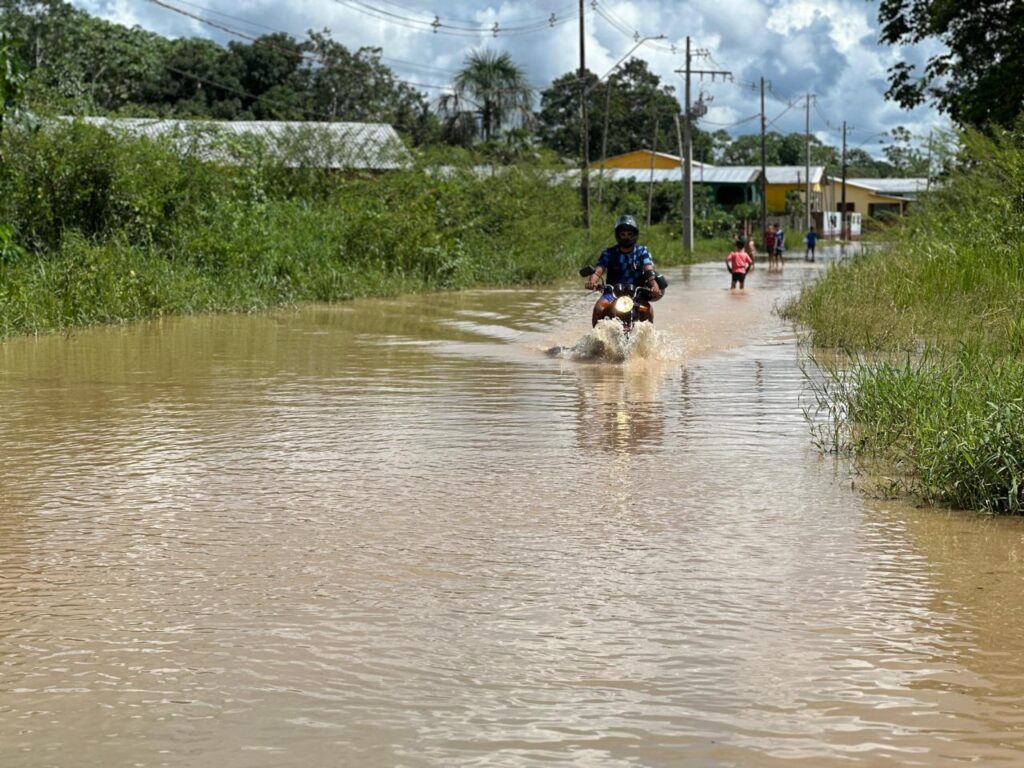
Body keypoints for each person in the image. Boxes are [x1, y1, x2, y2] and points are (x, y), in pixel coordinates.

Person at [585, 214, 663, 327]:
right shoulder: (609, 252)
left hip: (637, 293)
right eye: (623, 234)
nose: (626, 237)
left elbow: (648, 270)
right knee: (599, 308)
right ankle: (598, 339)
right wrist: (592, 281)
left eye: (629, 234)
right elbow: (598, 270)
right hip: (611, 293)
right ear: (618, 235)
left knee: (648, 310)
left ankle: (648, 339)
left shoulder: (642, 251)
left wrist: (654, 285)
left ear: (635, 235)